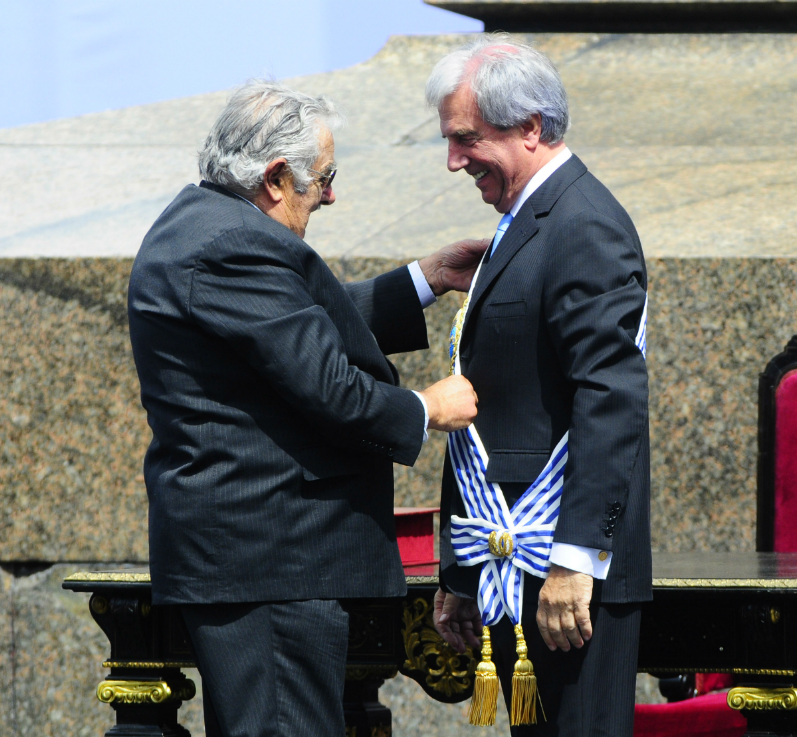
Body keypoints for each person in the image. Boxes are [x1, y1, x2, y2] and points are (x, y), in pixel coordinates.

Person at [127, 81, 483, 737]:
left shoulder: (206, 225)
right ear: (273, 177)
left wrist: (426, 278)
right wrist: (425, 407)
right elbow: (325, 382)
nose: (331, 194)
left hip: (255, 561)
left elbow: (296, 323)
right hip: (273, 562)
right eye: (324, 178)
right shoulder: (233, 247)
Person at [428, 37, 652, 736]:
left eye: (468, 139)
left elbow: (610, 399)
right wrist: (463, 569)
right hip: (510, 564)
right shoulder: (522, 222)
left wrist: (576, 561)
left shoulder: (584, 226)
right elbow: (498, 403)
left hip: (563, 576)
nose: (454, 160)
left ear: (531, 127)